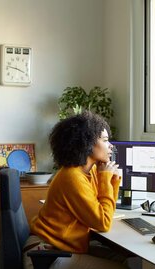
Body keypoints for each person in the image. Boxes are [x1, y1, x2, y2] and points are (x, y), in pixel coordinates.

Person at [29, 111, 132, 268]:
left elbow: (103, 209)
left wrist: (113, 180)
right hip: (48, 252)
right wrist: (105, 179)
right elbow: (102, 222)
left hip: (62, 245)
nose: (111, 145)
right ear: (88, 144)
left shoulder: (87, 171)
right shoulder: (72, 177)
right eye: (105, 140)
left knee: (125, 259)